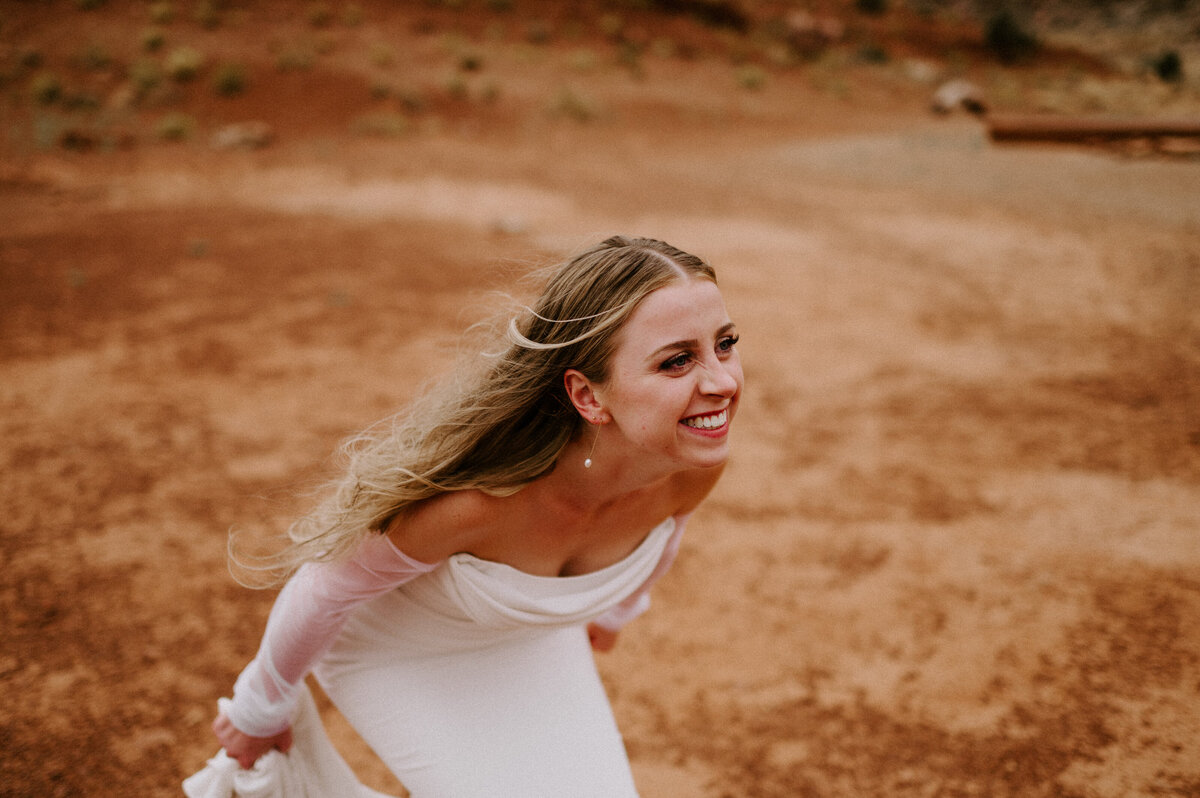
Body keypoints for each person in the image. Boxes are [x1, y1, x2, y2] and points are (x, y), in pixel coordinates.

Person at [196, 235, 744, 797]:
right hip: (403, 649)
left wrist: (617, 612)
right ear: (588, 396)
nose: (722, 382)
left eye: (725, 344)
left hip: (527, 635)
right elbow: (325, 590)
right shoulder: (477, 502)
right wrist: (258, 709)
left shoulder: (693, 468)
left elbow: (666, 536)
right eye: (677, 360)